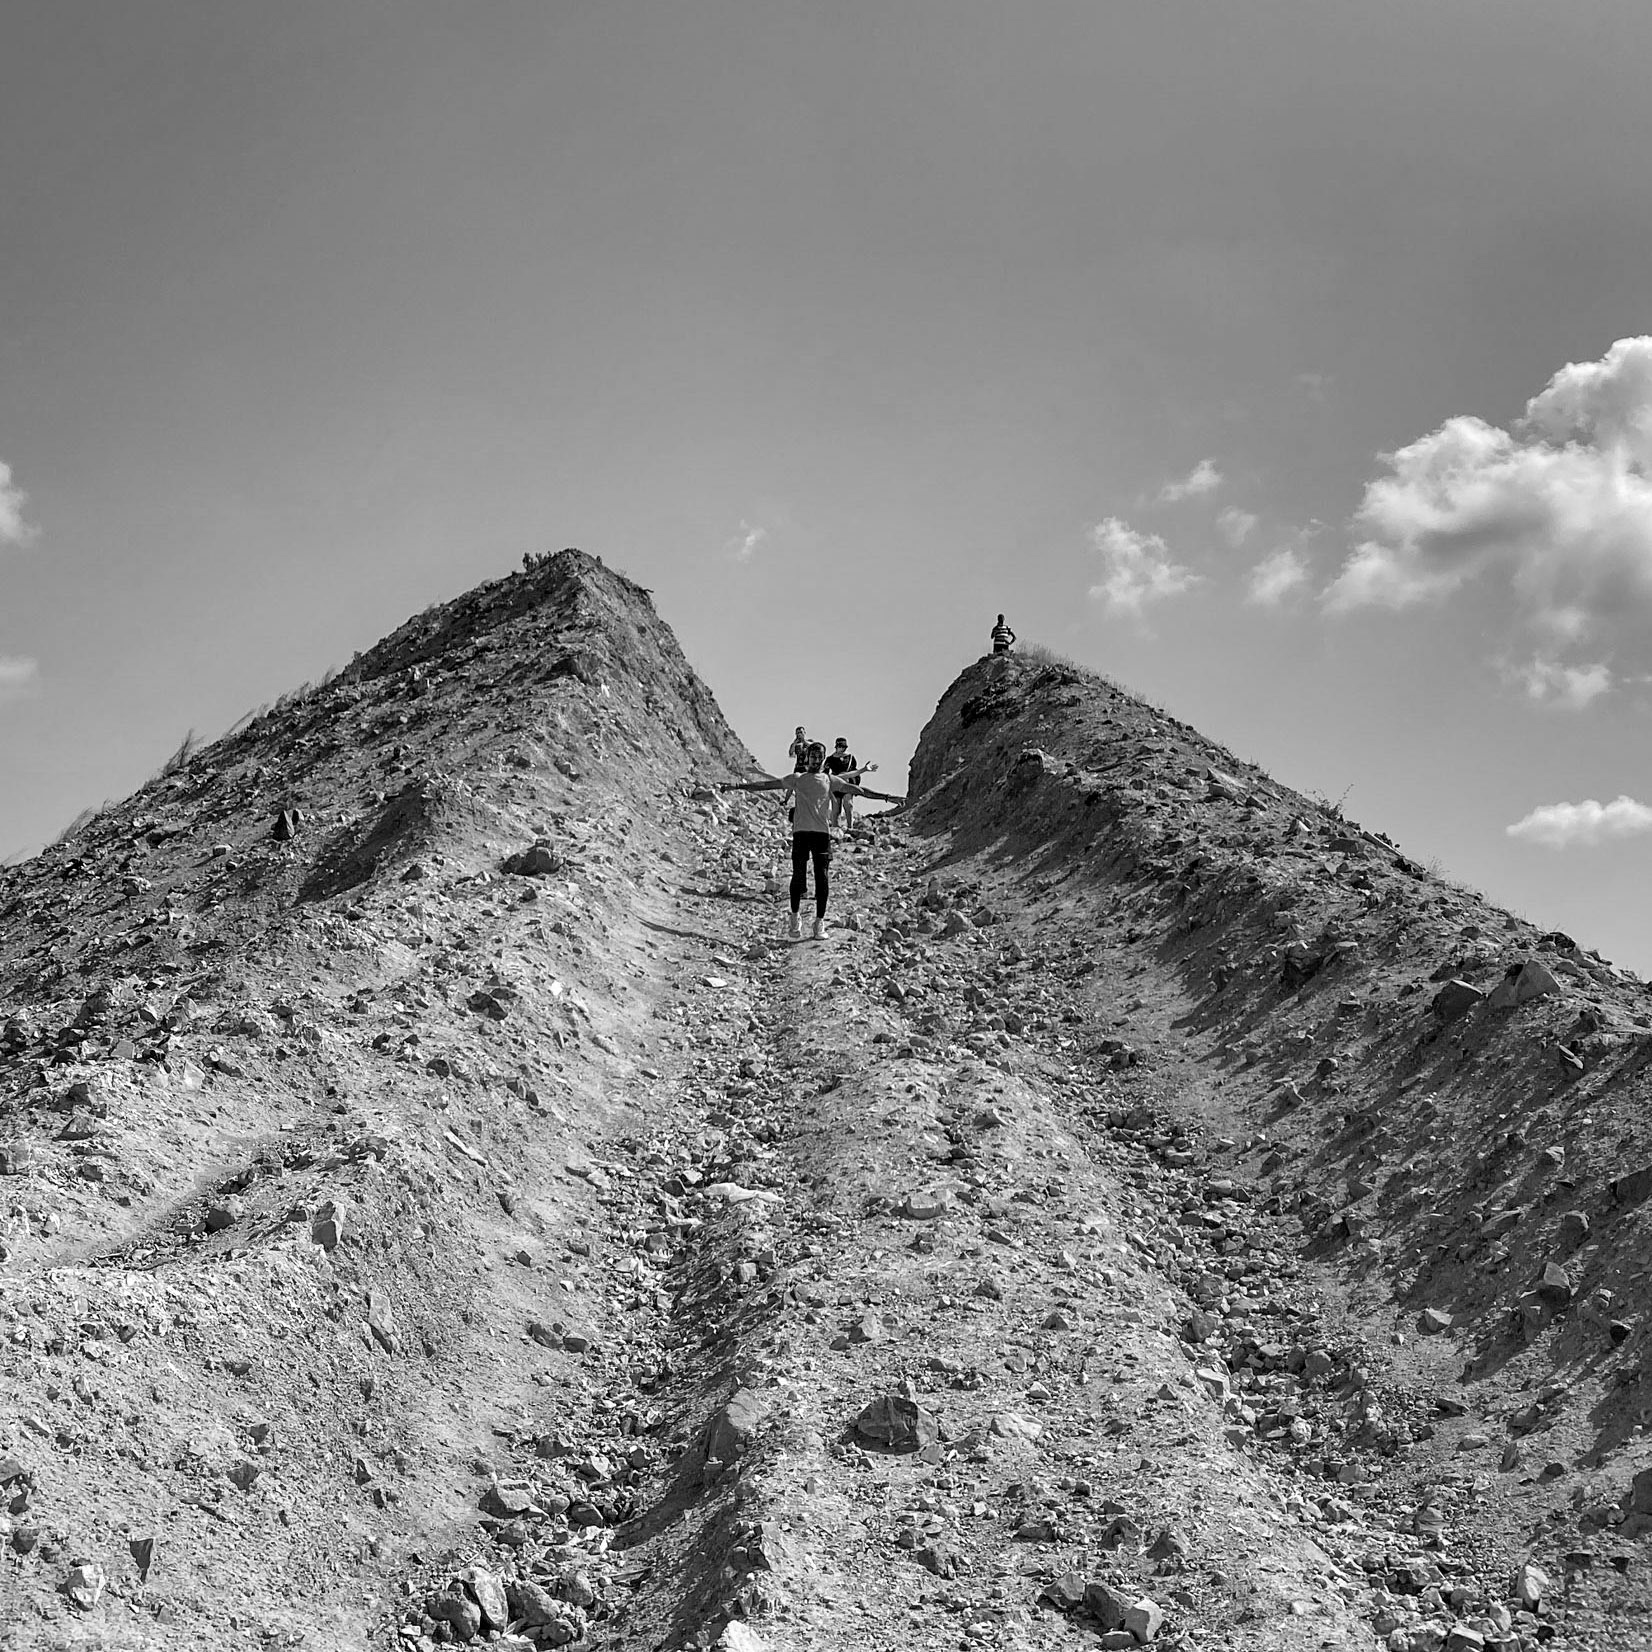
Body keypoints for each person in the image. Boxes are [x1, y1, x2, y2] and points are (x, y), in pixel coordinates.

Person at [721, 743, 902, 939]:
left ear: (824, 759)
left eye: (819, 757)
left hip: (821, 835)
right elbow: (766, 786)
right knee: (798, 876)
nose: (816, 760)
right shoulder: (797, 779)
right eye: (813, 756)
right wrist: (737, 786)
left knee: (822, 878)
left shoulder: (829, 780)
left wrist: (886, 797)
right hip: (801, 833)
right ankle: (794, 916)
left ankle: (819, 923)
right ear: (807, 758)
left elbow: (859, 790)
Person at [823, 738, 879, 829]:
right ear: (837, 747)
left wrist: (855, 784)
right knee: (836, 809)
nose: (842, 749)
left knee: (848, 805)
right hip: (835, 784)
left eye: (844, 747)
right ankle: (835, 830)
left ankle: (850, 828)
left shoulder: (850, 758)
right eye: (841, 746)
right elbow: (825, 773)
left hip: (847, 784)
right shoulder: (830, 759)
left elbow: (854, 771)